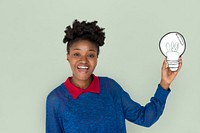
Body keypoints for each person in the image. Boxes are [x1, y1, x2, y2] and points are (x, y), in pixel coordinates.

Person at [46, 20, 182, 133]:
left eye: (90, 55)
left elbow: (145, 118)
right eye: (77, 54)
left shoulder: (110, 88)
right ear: (68, 57)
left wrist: (164, 83)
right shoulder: (56, 99)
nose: (84, 60)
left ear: (96, 58)